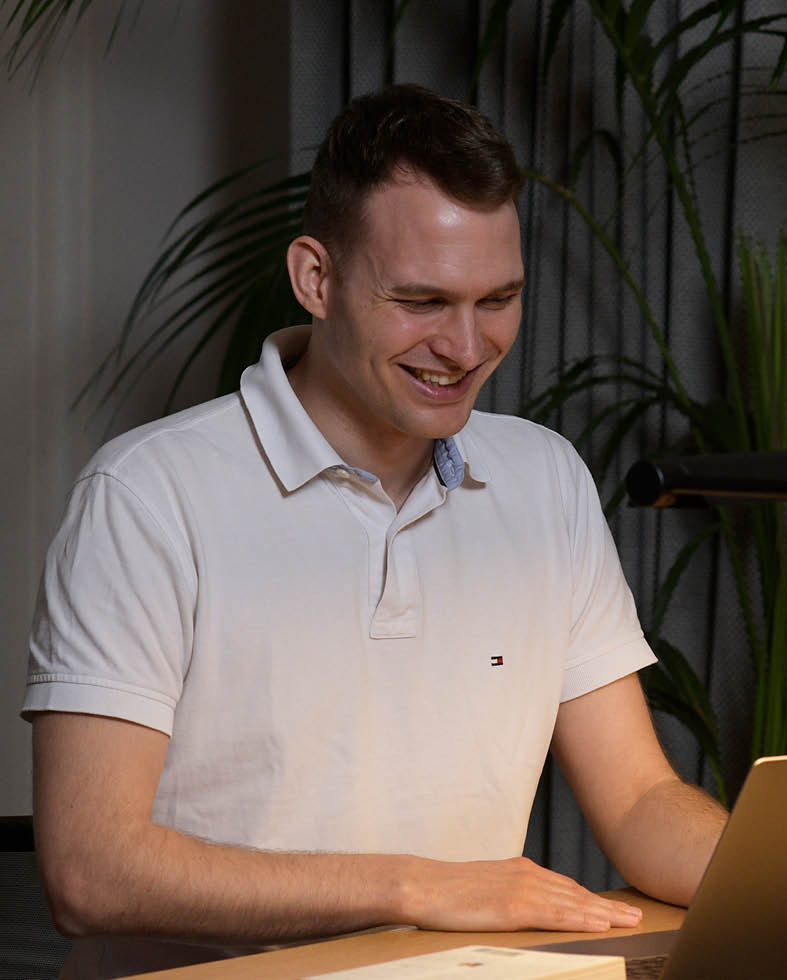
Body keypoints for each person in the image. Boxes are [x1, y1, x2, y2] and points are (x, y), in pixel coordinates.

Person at [23, 84, 726, 979]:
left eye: (498, 298)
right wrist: (416, 888)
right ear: (316, 278)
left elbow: (638, 800)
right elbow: (91, 873)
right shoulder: (147, 495)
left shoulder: (544, 478)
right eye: (423, 301)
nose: (466, 348)